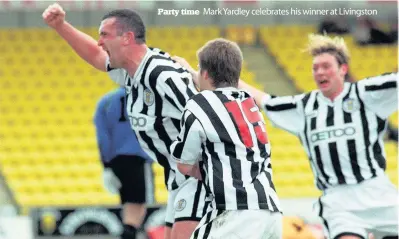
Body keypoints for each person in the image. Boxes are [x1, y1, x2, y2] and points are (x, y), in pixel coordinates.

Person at [174, 34, 398, 239]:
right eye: (315, 67)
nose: (319, 72)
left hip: (376, 189)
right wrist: (201, 76)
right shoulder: (304, 107)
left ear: (343, 69)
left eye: (326, 66)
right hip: (338, 201)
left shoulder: (366, 94)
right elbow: (262, 99)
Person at [42, 4, 207, 239]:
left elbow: (209, 117)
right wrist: (60, 26)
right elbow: (95, 55)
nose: (99, 42)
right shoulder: (129, 72)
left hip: (200, 181)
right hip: (179, 181)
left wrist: (208, 170)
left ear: (127, 38)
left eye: (104, 35)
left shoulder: (163, 75)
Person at [170, 38, 282, 239]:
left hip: (236, 213)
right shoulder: (248, 102)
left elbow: (184, 165)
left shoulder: (200, 103)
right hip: (270, 212)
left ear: (205, 73)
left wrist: (211, 170)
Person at [94, 86, 153, 239]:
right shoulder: (146, 99)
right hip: (138, 157)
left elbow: (102, 137)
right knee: (137, 206)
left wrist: (106, 166)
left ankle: (130, 233)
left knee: (128, 204)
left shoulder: (105, 101)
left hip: (116, 160)